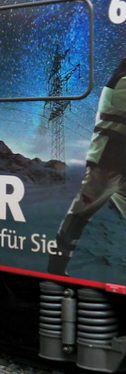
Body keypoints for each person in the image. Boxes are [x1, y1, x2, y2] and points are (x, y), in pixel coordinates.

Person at [48, 55, 126, 275]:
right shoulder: (120, 83)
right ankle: (56, 268)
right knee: (80, 215)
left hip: (120, 167)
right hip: (106, 166)